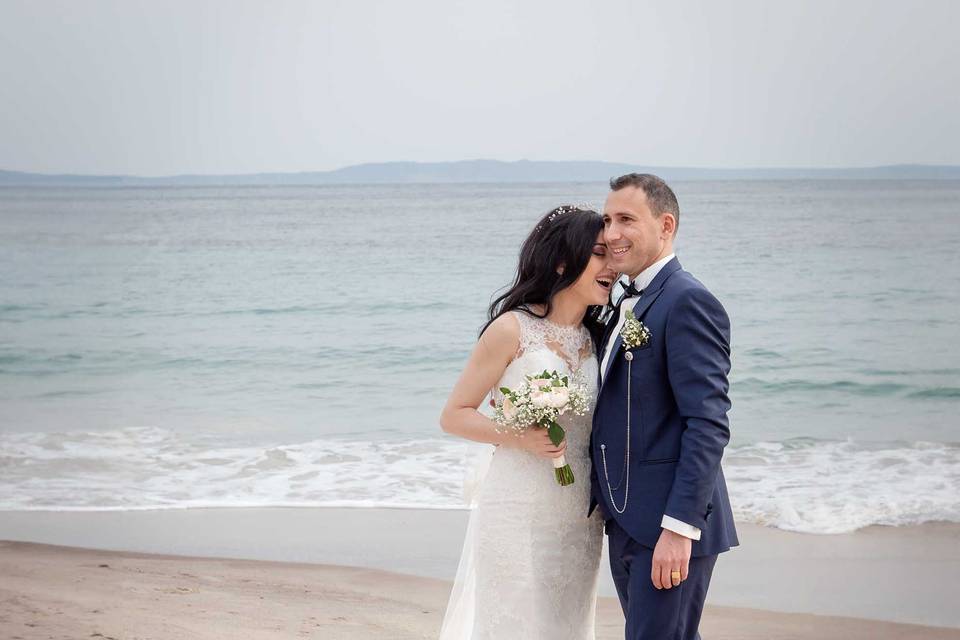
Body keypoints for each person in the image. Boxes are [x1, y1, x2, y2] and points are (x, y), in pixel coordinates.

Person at [438, 205, 616, 639]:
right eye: (598, 253)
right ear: (561, 261)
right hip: (516, 508)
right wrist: (519, 437)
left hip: (580, 515)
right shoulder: (511, 329)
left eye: (612, 254)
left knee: (568, 627)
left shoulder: (599, 338)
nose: (611, 265)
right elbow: (454, 415)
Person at [590, 173, 739, 640]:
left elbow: (708, 423)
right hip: (628, 517)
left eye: (627, 220)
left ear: (666, 225)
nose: (611, 233)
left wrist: (678, 530)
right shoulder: (626, 301)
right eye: (608, 220)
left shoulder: (688, 300)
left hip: (668, 527)